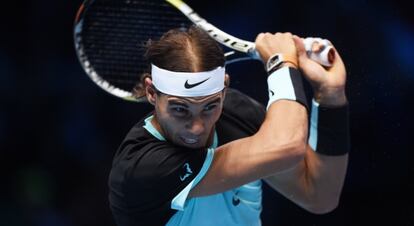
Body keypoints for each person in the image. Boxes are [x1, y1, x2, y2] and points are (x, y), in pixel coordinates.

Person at [108, 26, 350, 226]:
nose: (197, 128)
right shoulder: (141, 167)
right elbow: (287, 146)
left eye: (210, 106)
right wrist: (280, 64)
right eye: (180, 109)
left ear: (224, 89)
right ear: (152, 93)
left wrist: (330, 95)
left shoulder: (238, 113)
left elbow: (319, 195)